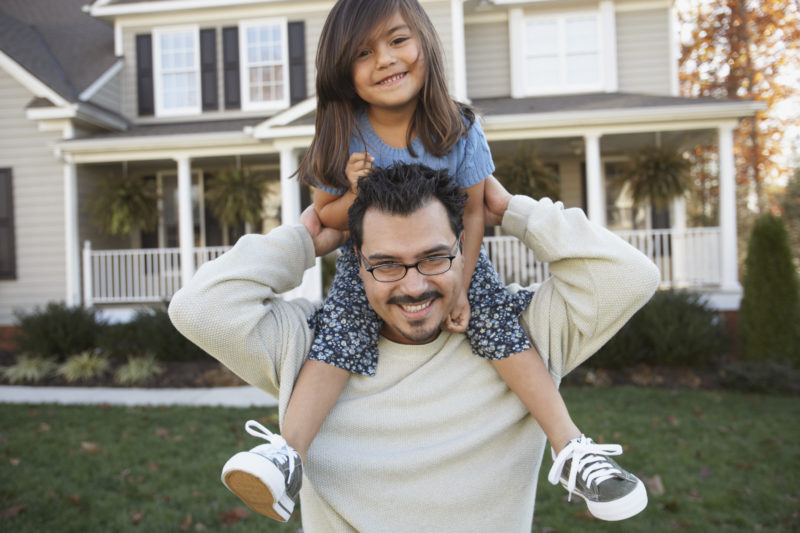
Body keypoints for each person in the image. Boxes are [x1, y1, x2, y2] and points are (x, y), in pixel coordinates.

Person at [214, 0, 649, 524]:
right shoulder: (343, 133)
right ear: (342, 71)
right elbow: (327, 213)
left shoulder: (457, 125)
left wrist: (464, 284)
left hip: (455, 261)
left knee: (503, 330)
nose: (385, 60)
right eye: (363, 52)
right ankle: (288, 454)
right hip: (368, 267)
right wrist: (352, 190)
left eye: (398, 40)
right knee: (337, 337)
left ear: (423, 41)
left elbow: (473, 212)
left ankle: (573, 449)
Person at [169, 163, 661, 532]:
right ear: (356, 262)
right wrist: (303, 239)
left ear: (464, 250)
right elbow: (199, 306)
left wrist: (514, 212)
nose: (413, 286)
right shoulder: (307, 347)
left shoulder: (526, 334)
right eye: (386, 264)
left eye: (433, 258)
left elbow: (630, 276)